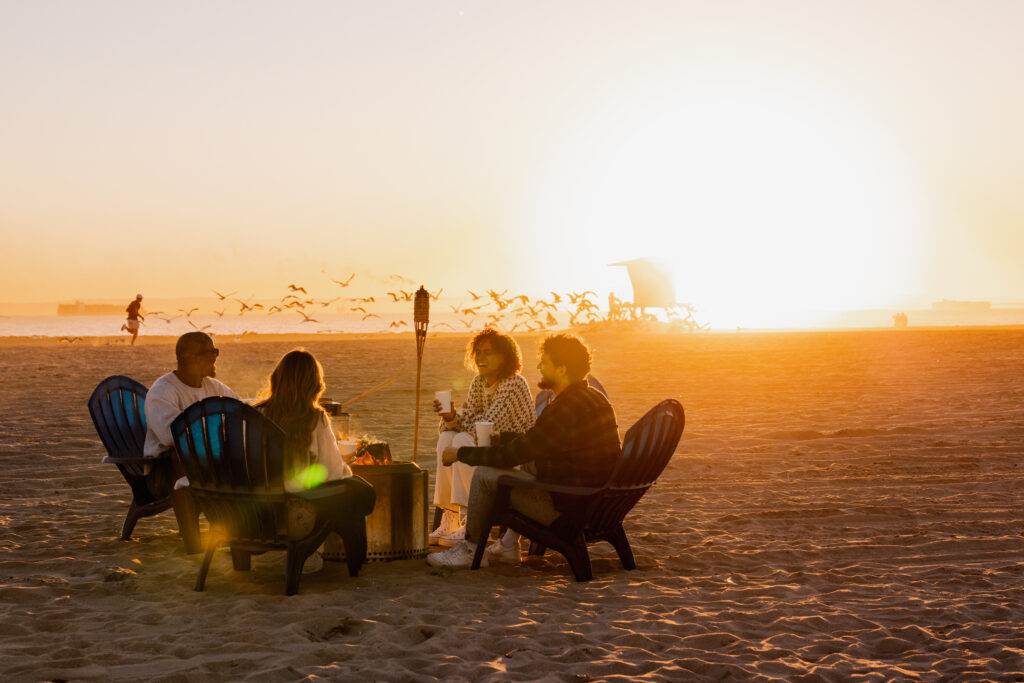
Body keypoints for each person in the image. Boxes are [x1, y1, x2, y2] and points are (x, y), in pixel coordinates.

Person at [426, 333, 621, 569]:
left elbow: (512, 455)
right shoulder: (591, 398)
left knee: (486, 475)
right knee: (505, 465)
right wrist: (504, 438)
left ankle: (471, 547)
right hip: (591, 501)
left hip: (566, 511)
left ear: (561, 369)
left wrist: (460, 454)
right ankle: (507, 545)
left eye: (544, 362)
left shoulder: (564, 408)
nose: (539, 367)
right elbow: (535, 444)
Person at [255, 349, 376, 575]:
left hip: (253, 511)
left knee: (355, 488)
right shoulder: (314, 418)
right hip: (293, 507)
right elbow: (331, 473)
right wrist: (344, 464)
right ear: (313, 385)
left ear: (276, 379)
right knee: (359, 492)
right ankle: (356, 565)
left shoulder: (255, 415)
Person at [430, 329, 535, 547]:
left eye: (488, 353)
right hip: (490, 450)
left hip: (515, 456)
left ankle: (472, 520)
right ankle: (450, 517)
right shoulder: (479, 382)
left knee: (460, 440)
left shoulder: (513, 383)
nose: (481, 358)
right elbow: (469, 419)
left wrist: (457, 417)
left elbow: (485, 426)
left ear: (504, 357)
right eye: (478, 352)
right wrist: (450, 417)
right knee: (447, 438)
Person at [143, 331, 238, 553]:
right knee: (180, 454)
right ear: (184, 357)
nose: (213, 358)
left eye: (215, 351)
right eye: (207, 353)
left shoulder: (213, 387)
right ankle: (192, 541)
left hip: (208, 464)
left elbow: (239, 410)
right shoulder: (163, 391)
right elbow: (171, 436)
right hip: (164, 474)